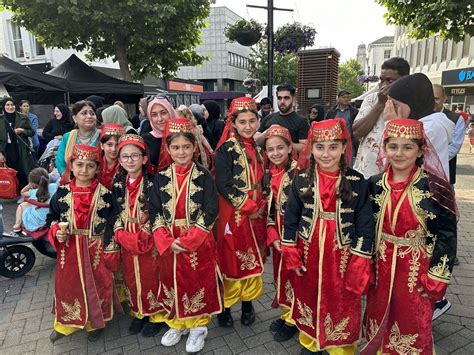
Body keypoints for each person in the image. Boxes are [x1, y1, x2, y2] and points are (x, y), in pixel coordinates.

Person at [362, 119, 457, 354]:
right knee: (378, 317)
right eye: (393, 146)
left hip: (416, 270)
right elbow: (366, 227)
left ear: (421, 150)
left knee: (412, 319)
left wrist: (438, 277)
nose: (399, 153)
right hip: (381, 266)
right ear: (385, 148)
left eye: (407, 147)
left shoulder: (436, 188)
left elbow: (447, 235)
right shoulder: (374, 184)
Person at [282, 118, 374, 355]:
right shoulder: (301, 179)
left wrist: (360, 259)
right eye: (319, 147)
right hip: (307, 251)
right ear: (311, 148)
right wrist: (290, 251)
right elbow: (290, 218)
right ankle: (310, 342)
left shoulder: (357, 182)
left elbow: (365, 225)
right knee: (308, 295)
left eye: (333, 147)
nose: (326, 154)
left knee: (341, 301)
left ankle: (339, 347)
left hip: (341, 257)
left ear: (344, 147)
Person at [149, 118, 222, 353]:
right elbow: (154, 210)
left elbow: (212, 209)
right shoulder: (160, 177)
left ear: (194, 147)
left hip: (197, 241)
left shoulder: (203, 176)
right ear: (168, 149)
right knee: (171, 281)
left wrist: (189, 240)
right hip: (169, 242)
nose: (181, 152)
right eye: (176, 147)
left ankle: (198, 327)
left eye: (186, 147)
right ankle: (177, 322)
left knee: (196, 282)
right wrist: (166, 240)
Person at [46, 144, 118, 343]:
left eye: (89, 166)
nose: (84, 170)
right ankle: (65, 324)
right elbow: (51, 218)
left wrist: (110, 247)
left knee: (96, 284)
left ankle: (95, 322)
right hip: (69, 248)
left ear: (97, 168)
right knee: (67, 285)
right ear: (71, 165)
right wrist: (56, 232)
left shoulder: (105, 194)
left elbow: (113, 222)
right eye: (79, 165)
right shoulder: (61, 193)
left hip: (96, 247)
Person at [103, 134, 166, 337]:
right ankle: (139, 312)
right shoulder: (118, 184)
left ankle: (156, 315)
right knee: (131, 276)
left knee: (151, 277)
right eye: (125, 157)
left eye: (135, 156)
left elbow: (159, 211)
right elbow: (114, 212)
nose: (130, 161)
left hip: (149, 240)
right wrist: (120, 232)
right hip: (126, 239)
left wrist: (144, 234)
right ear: (120, 160)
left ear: (145, 158)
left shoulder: (154, 182)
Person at [214, 97, 267, 328]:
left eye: (252, 121)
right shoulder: (226, 149)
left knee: (252, 258)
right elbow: (223, 184)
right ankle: (225, 307)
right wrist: (249, 207)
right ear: (233, 123)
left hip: (255, 214)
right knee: (231, 259)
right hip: (234, 214)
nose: (248, 126)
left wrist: (261, 204)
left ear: (257, 121)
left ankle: (247, 304)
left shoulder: (256, 146)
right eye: (242, 121)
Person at [263, 125, 298, 342]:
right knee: (280, 275)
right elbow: (270, 206)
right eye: (270, 149)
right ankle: (287, 313)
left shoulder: (299, 173)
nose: (275, 153)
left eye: (280, 148)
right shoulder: (269, 173)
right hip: (276, 229)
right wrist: (271, 232)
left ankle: (296, 319)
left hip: (294, 234)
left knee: (295, 276)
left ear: (289, 147)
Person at [386, 73, 454, 179]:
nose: (389, 110)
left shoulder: (431, 127)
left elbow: (400, 156)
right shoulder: (425, 123)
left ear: (413, 103)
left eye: (394, 105)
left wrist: (394, 125)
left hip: (425, 190)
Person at [352, 57, 410, 178]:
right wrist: (380, 104)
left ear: (404, 81)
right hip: (367, 173)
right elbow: (357, 132)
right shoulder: (372, 99)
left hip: (397, 174)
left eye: (390, 81)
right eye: (382, 80)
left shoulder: (410, 103)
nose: (384, 85)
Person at [255, 84, 309, 152]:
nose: (282, 101)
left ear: (293, 99)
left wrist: (283, 144)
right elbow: (255, 140)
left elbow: (305, 147)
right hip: (268, 161)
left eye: (286, 98)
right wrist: (268, 131)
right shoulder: (268, 118)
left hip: (292, 161)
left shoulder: (301, 121)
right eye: (279, 98)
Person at [56, 100, 101, 181]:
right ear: (74, 118)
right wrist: (68, 178)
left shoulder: (102, 136)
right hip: (72, 182)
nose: (89, 116)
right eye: (84, 113)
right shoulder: (68, 137)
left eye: (92, 113)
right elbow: (60, 162)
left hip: (99, 182)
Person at [0, 97, 35, 189]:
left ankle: (24, 191)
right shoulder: (1, 120)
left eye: (12, 105)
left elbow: (32, 132)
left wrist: (22, 130)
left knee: (23, 170)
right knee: (11, 171)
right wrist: (0, 153)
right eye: (7, 105)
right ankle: (13, 191)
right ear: (3, 107)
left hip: (21, 148)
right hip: (7, 149)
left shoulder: (23, 117)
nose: (10, 107)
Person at [433, 84, 464, 186]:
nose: (433, 102)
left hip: (445, 175)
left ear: (444, 98)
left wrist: (431, 160)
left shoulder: (455, 119)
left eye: (436, 98)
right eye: (430, 98)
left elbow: (454, 147)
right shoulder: (420, 115)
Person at [12, 167, 58, 233]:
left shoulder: (34, 192)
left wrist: (29, 185)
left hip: (37, 221)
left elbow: (22, 192)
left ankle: (17, 225)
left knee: (23, 205)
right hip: (52, 218)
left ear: (32, 183)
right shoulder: (54, 187)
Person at [142, 97, 176, 170]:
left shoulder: (181, 134)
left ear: (171, 112)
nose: (160, 119)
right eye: (154, 115)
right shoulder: (145, 139)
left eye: (163, 113)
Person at [98, 123, 126, 190]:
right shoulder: (94, 163)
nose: (114, 149)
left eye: (117, 145)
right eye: (109, 144)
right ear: (102, 145)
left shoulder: (127, 164)